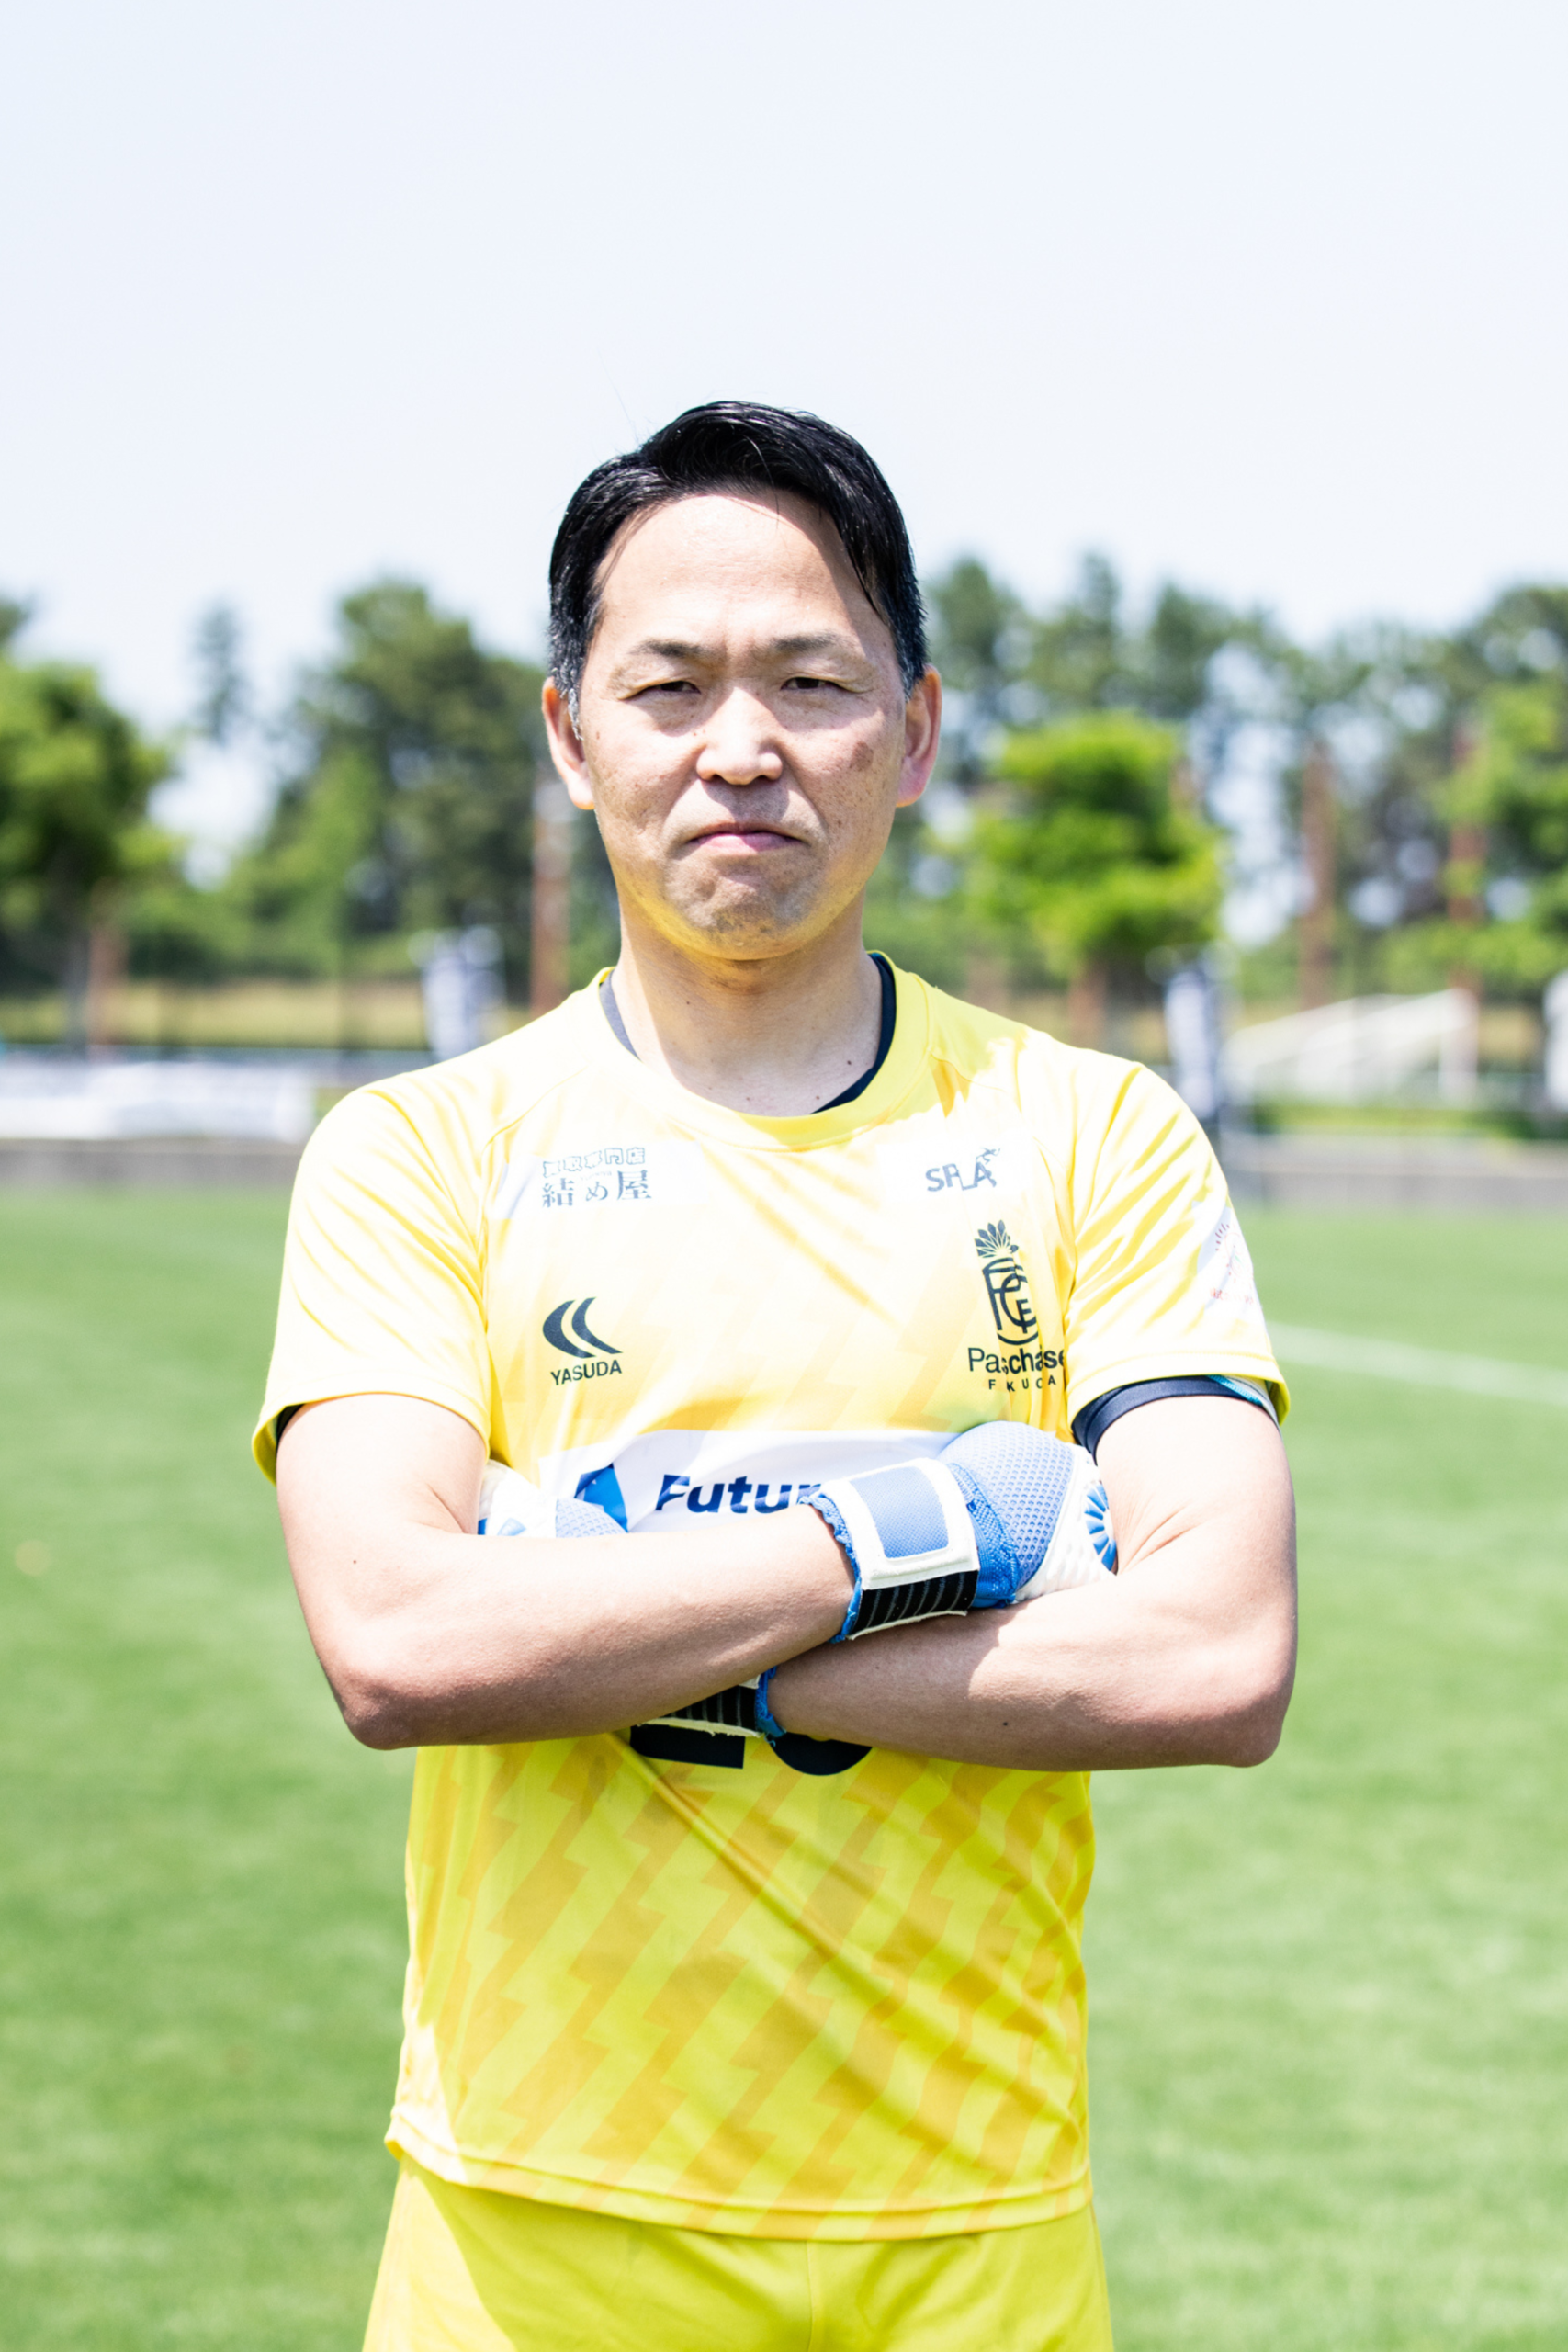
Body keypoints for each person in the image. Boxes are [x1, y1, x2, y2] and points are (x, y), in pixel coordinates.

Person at [256, 401, 1296, 2352]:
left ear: (913, 730)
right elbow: (398, 1643)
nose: (740, 745)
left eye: (811, 683)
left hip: (971, 2232)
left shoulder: (1094, 1134)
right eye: (670, 686)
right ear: (572, 736)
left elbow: (1215, 1655)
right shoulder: (419, 1152)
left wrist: (591, 1598)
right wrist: (938, 1531)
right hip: (534, 2236)